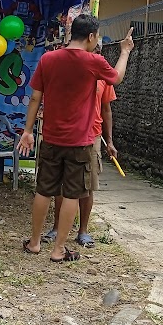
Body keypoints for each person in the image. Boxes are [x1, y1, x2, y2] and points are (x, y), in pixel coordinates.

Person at [18, 16, 134, 262]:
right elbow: (117, 78)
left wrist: (28, 131)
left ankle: (35, 242)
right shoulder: (94, 61)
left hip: (51, 137)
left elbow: (35, 98)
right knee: (72, 194)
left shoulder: (48, 59)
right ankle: (59, 249)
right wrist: (124, 51)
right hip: (80, 141)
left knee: (43, 190)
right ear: (91, 36)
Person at [42, 41, 117, 248]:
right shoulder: (71, 69)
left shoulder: (104, 79)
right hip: (68, 135)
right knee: (60, 186)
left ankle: (83, 230)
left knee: (87, 187)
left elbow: (107, 110)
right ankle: (57, 227)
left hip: (92, 137)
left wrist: (109, 141)